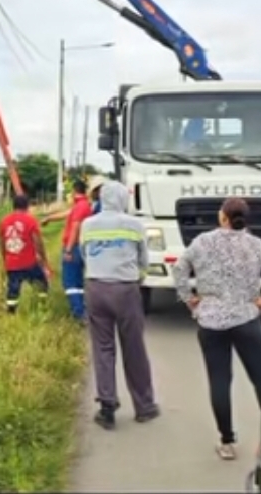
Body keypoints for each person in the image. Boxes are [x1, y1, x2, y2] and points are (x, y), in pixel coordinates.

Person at [173, 196, 261, 461]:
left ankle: (227, 442)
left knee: (220, 381)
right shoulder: (254, 244)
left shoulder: (202, 241)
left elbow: (179, 270)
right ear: (244, 219)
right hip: (246, 318)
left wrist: (190, 300)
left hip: (210, 322)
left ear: (222, 217)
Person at [80, 180, 159, 429]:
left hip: (95, 288)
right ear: (124, 199)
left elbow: (83, 254)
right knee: (134, 348)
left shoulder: (87, 225)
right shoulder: (134, 225)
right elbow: (144, 260)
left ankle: (107, 407)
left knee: (103, 348)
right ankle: (144, 407)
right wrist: (137, 275)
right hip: (125, 289)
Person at [0, 194, 50, 313]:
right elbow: (38, 242)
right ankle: (42, 306)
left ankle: (11, 313)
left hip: (11, 263)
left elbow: (2, 244)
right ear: (27, 206)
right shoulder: (30, 220)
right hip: (29, 262)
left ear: (13, 206)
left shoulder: (4, 221)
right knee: (41, 283)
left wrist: (5, 259)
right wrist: (43, 259)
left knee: (13, 290)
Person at [61, 179, 93, 320]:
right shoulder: (83, 205)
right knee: (78, 283)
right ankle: (82, 308)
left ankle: (79, 313)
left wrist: (68, 250)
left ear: (74, 190)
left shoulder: (80, 206)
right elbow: (67, 214)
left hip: (74, 247)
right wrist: (49, 218)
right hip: (80, 247)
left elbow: (75, 227)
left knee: (70, 282)